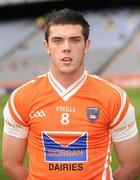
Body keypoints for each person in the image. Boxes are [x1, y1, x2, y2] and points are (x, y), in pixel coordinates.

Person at [2, 8, 140, 180]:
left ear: (86, 45)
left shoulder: (114, 97)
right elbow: (11, 164)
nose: (66, 48)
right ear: (47, 46)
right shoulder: (22, 98)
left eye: (74, 40)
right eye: (58, 40)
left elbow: (132, 166)